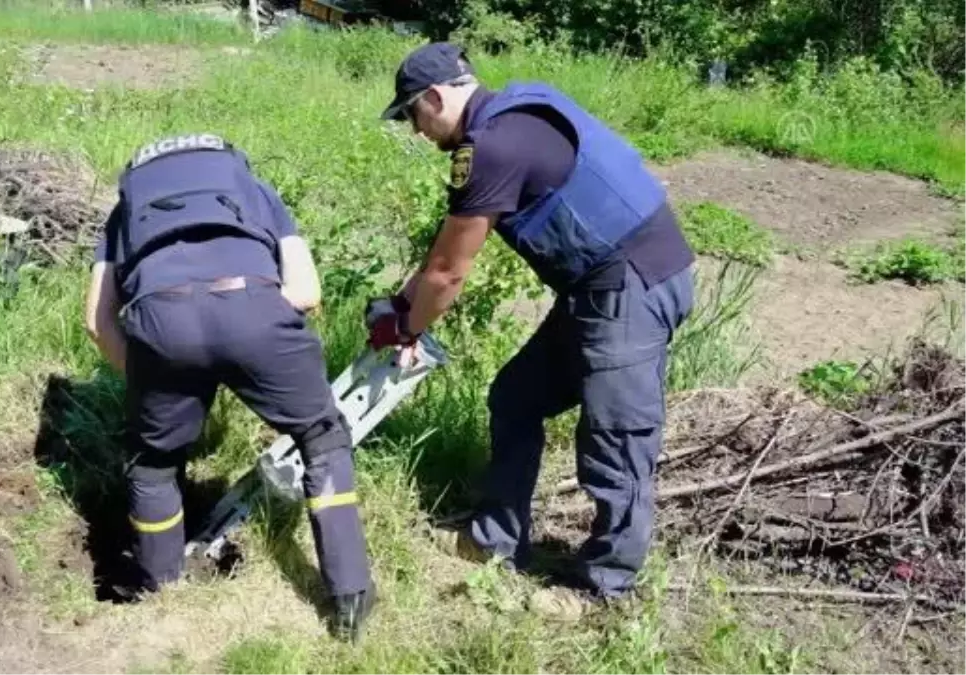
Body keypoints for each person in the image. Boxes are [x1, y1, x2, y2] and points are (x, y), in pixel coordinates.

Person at [366, 43, 697, 611]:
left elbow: (448, 275)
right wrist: (402, 300)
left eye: (413, 117)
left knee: (617, 438)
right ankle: (497, 539)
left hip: (633, 284)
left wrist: (408, 329)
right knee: (516, 398)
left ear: (436, 98)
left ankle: (604, 591)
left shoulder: (492, 146)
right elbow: (446, 251)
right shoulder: (514, 116)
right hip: (597, 287)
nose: (417, 132)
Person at [84, 133, 376, 641]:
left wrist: (150, 377)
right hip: (253, 308)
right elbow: (306, 292)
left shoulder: (125, 211)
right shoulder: (255, 191)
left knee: (153, 467)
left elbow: (96, 322)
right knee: (322, 440)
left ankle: (162, 593)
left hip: (160, 320)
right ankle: (350, 598)